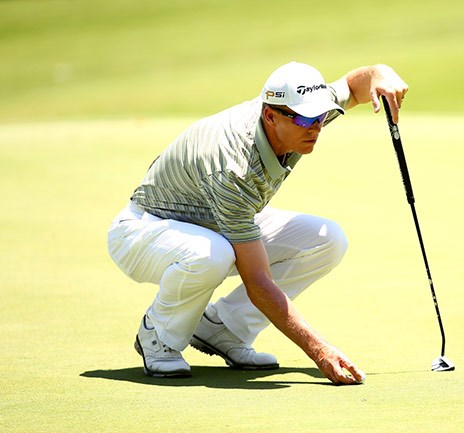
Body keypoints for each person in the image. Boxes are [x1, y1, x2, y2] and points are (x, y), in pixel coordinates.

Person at [107, 61, 408, 385]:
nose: (316, 128)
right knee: (214, 255)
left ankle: (224, 328)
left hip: (211, 223)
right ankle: (159, 336)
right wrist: (319, 351)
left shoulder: (299, 114)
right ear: (270, 116)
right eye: (307, 119)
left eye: (321, 117)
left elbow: (352, 87)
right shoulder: (233, 165)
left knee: (329, 239)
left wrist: (378, 72)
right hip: (144, 230)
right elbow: (258, 282)